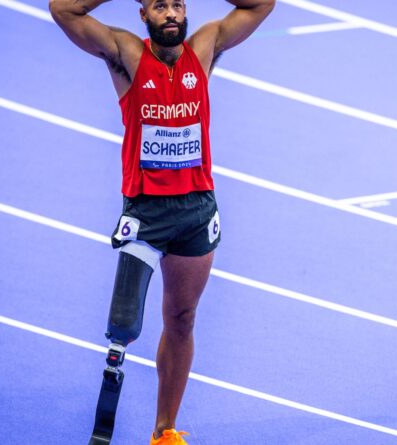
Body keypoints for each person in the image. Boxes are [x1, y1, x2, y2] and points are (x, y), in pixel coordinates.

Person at [48, 1, 275, 443]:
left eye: (176, 5)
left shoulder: (204, 48)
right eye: (159, 6)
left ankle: (164, 431)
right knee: (123, 326)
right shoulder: (127, 54)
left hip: (195, 210)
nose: (170, 14)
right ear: (143, 15)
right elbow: (64, 10)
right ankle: (104, 424)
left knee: (182, 318)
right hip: (146, 211)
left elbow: (261, 5)